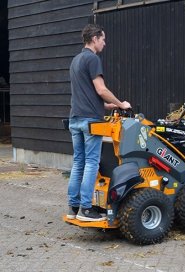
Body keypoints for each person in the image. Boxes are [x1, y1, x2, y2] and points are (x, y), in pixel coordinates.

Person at [67, 24, 131, 222]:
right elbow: (101, 89)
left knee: (78, 162)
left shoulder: (76, 60)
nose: (105, 43)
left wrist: (107, 106)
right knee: (91, 163)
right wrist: (120, 104)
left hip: (75, 118)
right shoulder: (93, 59)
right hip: (90, 122)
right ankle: (87, 209)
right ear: (94, 38)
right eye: (103, 39)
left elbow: (86, 95)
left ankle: (74, 206)